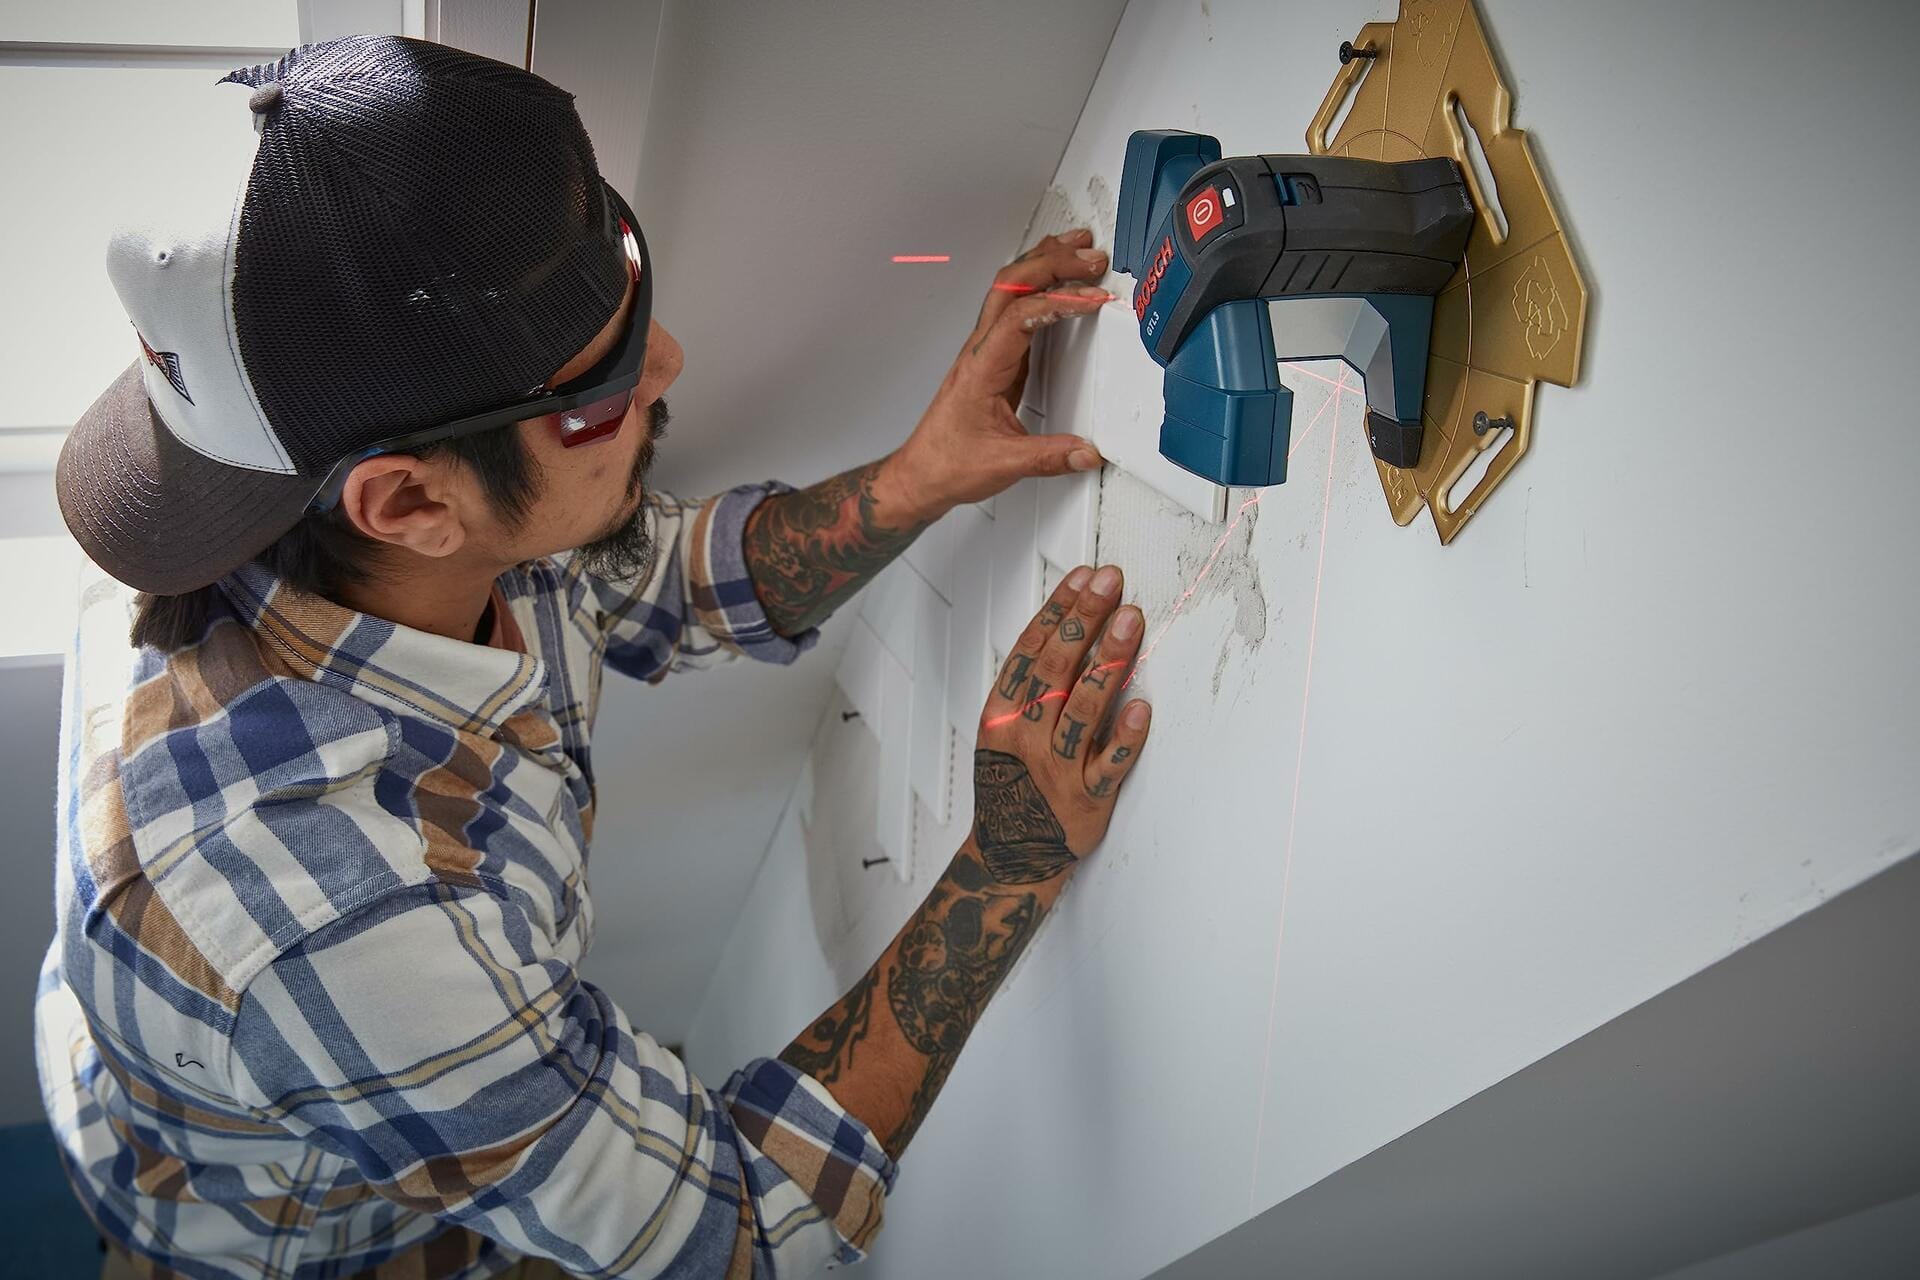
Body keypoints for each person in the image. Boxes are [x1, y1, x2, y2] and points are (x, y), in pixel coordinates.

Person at [34, 34, 1154, 1280]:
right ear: (408, 505)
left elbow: (639, 575)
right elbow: (731, 1236)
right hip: (298, 1234)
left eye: (631, 291)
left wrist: (916, 475)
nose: (669, 363)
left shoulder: (326, 490)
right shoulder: (341, 908)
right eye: (598, 395)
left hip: (354, 1067)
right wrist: (1007, 861)